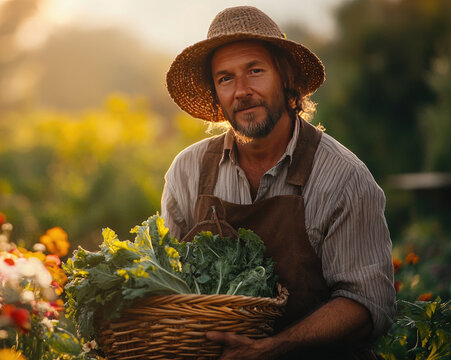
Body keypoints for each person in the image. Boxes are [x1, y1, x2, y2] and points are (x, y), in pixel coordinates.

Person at [161, 6, 395, 359]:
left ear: (285, 77)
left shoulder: (342, 177)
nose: (241, 91)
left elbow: (366, 305)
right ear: (215, 93)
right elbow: (168, 285)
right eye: (225, 78)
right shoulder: (187, 171)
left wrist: (273, 349)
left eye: (255, 71)